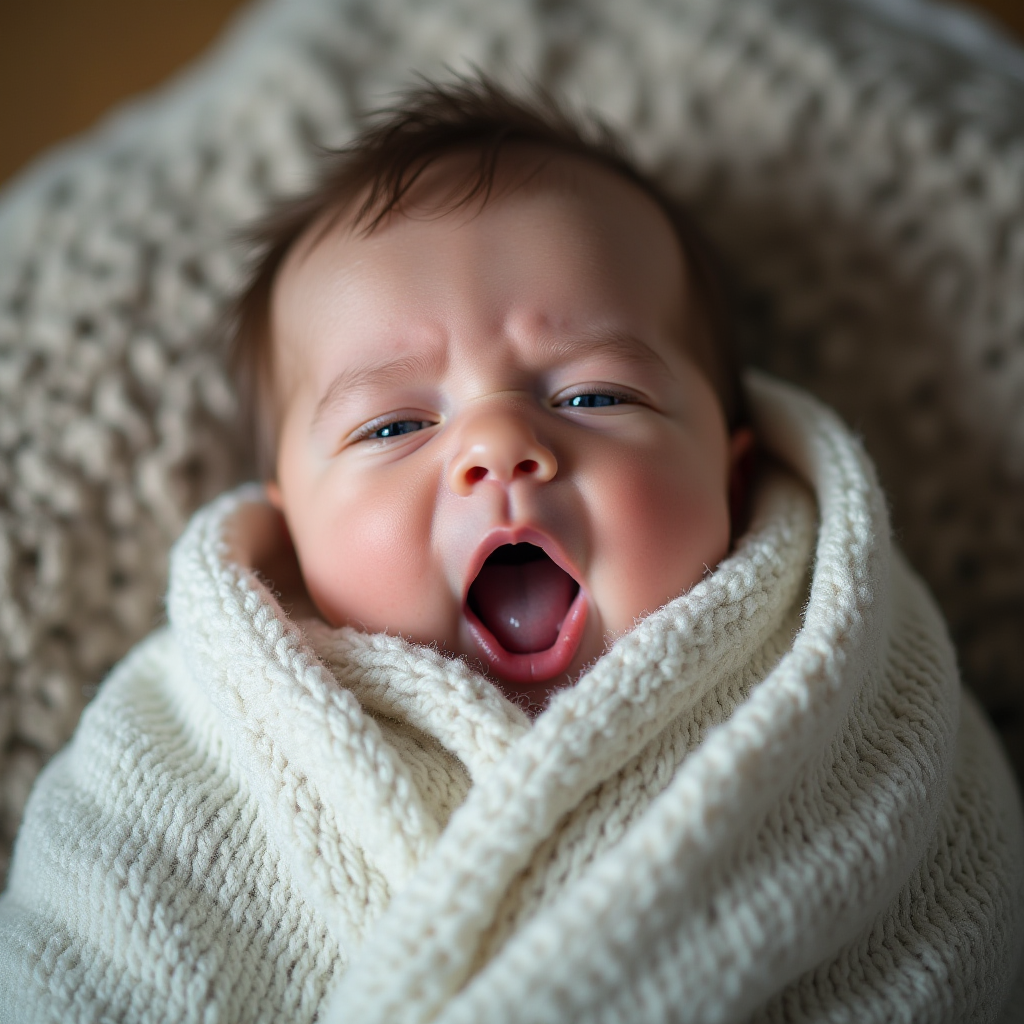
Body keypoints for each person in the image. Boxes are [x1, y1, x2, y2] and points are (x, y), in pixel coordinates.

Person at [0, 75, 1021, 1023]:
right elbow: (85, 948)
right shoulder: (191, 737)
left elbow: (953, 898)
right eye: (393, 426)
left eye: (593, 395)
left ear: (732, 473)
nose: (498, 446)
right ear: (289, 527)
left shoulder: (844, 687)